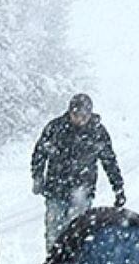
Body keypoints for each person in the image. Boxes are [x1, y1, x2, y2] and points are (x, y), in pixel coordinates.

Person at [31, 93, 125, 248]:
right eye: (76, 115)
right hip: (55, 190)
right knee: (54, 233)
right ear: (70, 112)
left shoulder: (97, 133)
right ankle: (53, 259)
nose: (80, 119)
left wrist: (118, 188)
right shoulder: (55, 128)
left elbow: (109, 162)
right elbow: (39, 153)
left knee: (77, 232)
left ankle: (74, 260)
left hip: (82, 191)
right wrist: (37, 177)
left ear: (90, 114)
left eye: (84, 116)